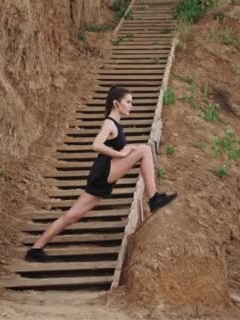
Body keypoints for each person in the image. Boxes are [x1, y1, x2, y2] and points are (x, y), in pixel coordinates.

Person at [25, 85, 177, 262]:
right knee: (144, 150)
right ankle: (154, 198)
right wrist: (121, 154)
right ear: (115, 103)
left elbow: (116, 146)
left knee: (73, 215)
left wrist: (127, 148)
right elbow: (96, 145)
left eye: (131, 102)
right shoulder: (109, 123)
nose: (131, 106)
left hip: (104, 173)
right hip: (104, 171)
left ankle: (35, 249)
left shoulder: (116, 125)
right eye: (128, 102)